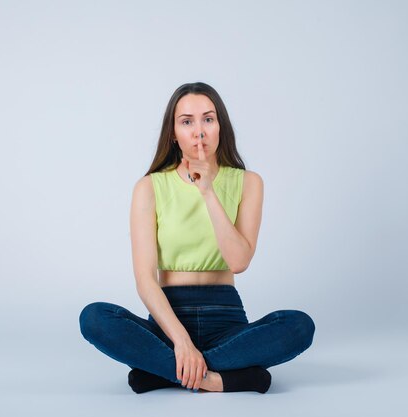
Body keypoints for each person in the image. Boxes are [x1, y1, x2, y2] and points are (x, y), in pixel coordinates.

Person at [79, 82, 315, 394]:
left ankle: (164, 372)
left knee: (299, 326)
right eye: (187, 122)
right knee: (94, 317)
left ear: (221, 127)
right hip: (168, 320)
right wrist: (181, 342)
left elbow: (239, 261)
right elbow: (145, 280)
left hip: (226, 320)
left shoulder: (249, 182)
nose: (198, 131)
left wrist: (207, 190)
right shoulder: (150, 187)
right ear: (173, 133)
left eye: (208, 119)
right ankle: (226, 378)